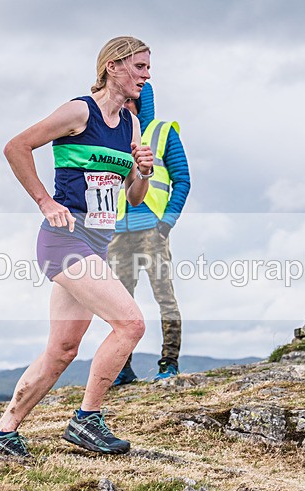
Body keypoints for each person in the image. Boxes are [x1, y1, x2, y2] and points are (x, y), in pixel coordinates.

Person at [0, 36, 154, 457]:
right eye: (141, 67)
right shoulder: (79, 111)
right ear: (113, 66)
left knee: (61, 350)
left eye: (148, 69)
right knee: (130, 324)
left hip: (96, 244)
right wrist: (45, 200)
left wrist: (143, 172)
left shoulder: (130, 124)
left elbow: (133, 197)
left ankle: (2, 433)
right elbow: (16, 146)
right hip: (64, 239)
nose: (147, 77)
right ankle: (86, 420)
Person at [109, 82, 191, 386]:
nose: (126, 105)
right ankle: (122, 368)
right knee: (119, 302)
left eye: (131, 100)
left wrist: (166, 222)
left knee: (164, 297)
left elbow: (182, 180)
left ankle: (169, 363)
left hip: (153, 230)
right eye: (123, 100)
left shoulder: (162, 131)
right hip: (118, 232)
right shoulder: (113, 132)